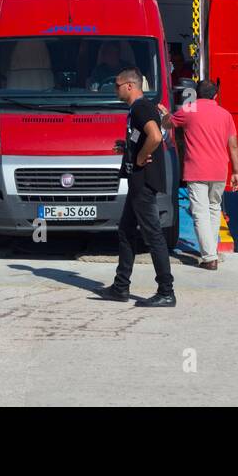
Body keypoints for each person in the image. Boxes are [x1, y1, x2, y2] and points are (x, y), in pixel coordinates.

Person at [98, 67, 176, 307]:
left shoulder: (141, 107)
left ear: (130, 86)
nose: (115, 90)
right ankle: (121, 286)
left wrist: (141, 157)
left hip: (143, 181)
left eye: (117, 86)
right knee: (126, 231)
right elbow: (150, 134)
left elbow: (154, 136)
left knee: (153, 234)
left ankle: (166, 290)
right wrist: (129, 147)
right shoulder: (138, 109)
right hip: (137, 182)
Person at [159, 79, 238, 270]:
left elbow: (168, 124)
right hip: (220, 169)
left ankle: (210, 257)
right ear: (215, 95)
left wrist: (164, 114)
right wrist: (236, 171)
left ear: (196, 94)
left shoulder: (189, 110)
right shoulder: (225, 114)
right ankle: (211, 251)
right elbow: (233, 145)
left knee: (200, 212)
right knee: (213, 209)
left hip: (196, 169)